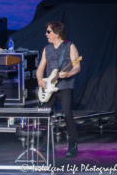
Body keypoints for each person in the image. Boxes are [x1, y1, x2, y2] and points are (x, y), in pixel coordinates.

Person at [36, 22, 81, 157]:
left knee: (67, 115)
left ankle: (72, 145)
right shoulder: (47, 48)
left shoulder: (69, 46)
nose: (46, 34)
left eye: (49, 32)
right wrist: (40, 80)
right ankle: (47, 143)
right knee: (43, 114)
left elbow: (77, 66)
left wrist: (67, 74)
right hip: (49, 88)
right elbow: (40, 68)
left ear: (57, 33)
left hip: (65, 86)